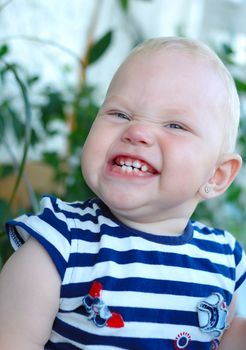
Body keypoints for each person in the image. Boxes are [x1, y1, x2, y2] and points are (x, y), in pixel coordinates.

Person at [0, 36, 246, 350]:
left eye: (175, 125)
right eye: (120, 114)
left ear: (216, 175)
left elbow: (224, 338)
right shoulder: (59, 242)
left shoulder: (225, 259)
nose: (137, 132)